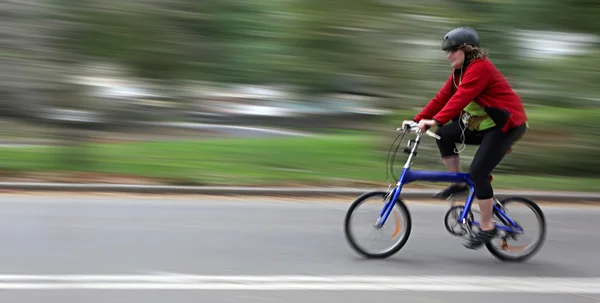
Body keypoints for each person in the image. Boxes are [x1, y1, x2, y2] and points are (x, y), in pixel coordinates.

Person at [402, 27, 528, 250]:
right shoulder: (459, 73)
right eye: (447, 51)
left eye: (452, 50)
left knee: (479, 172)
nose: (448, 55)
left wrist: (436, 120)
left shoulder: (479, 69)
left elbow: (460, 100)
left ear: (466, 50)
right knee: (443, 134)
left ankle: (488, 227)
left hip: (506, 127)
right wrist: (417, 120)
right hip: (483, 126)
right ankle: (458, 182)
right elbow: (441, 99)